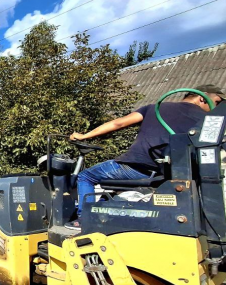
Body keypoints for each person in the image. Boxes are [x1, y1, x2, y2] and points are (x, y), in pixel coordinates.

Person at [66, 84, 225, 231]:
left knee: (85, 176)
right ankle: (100, 213)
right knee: (111, 187)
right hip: (171, 174)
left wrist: (85, 136)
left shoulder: (155, 108)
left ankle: (84, 219)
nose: (216, 107)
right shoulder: (209, 121)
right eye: (217, 102)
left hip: (136, 167)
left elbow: (118, 124)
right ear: (201, 98)